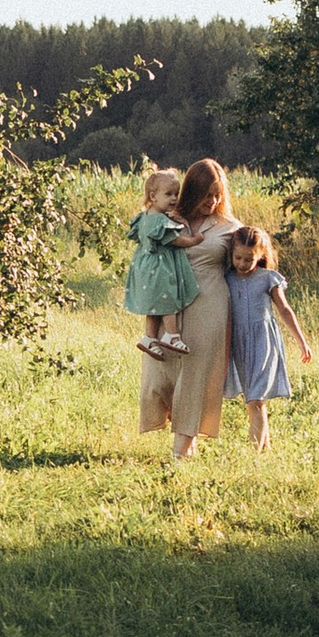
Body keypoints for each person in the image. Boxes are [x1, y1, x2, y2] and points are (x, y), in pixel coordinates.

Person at [138, 157, 243, 460]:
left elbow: (249, 264)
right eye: (207, 194)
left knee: (196, 378)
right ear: (192, 191)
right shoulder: (166, 218)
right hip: (168, 306)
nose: (213, 201)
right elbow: (146, 256)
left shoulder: (230, 228)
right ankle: (187, 439)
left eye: (218, 194)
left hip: (209, 308)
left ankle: (180, 450)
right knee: (161, 375)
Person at [218, 223, 312, 452]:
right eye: (238, 257)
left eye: (248, 259)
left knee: (256, 400)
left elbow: (284, 310)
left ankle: (253, 454)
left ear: (260, 256)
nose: (242, 263)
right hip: (239, 344)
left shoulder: (268, 278)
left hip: (263, 342)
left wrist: (302, 342)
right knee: (253, 402)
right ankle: (265, 452)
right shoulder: (227, 278)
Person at [123, 164, 198, 358]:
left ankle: (149, 337)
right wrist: (195, 240)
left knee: (154, 306)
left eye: (176, 194)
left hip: (144, 265)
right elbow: (176, 240)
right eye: (168, 194)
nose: (174, 198)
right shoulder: (160, 221)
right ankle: (172, 335)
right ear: (153, 196)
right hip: (158, 266)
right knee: (168, 297)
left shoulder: (145, 217)